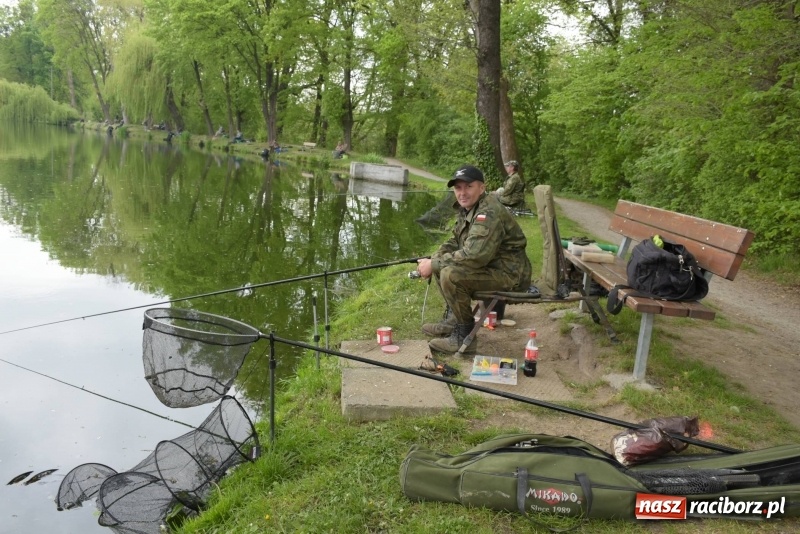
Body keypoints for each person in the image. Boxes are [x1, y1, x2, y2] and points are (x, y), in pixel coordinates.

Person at [416, 165, 532, 354]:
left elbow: (474, 256)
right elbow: (455, 240)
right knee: (442, 264)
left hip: (511, 275)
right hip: (492, 267)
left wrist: (435, 264)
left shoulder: (488, 213)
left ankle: (464, 337)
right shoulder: (469, 208)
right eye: (458, 188)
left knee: (450, 274)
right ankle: (453, 321)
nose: (462, 193)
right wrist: (435, 257)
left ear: (482, 188)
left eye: (468, 187)